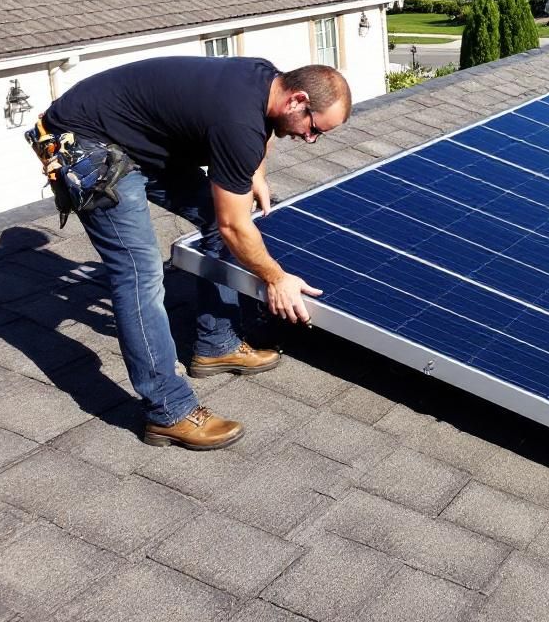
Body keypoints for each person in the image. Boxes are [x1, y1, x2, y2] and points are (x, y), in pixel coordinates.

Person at [37, 59, 352, 450]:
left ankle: (215, 343)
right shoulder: (238, 122)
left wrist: (255, 174)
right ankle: (167, 411)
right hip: (85, 141)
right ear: (298, 100)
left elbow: (262, 133)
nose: (310, 140)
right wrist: (275, 278)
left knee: (221, 216)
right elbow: (233, 225)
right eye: (314, 129)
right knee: (140, 272)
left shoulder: (267, 82)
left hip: (134, 136)